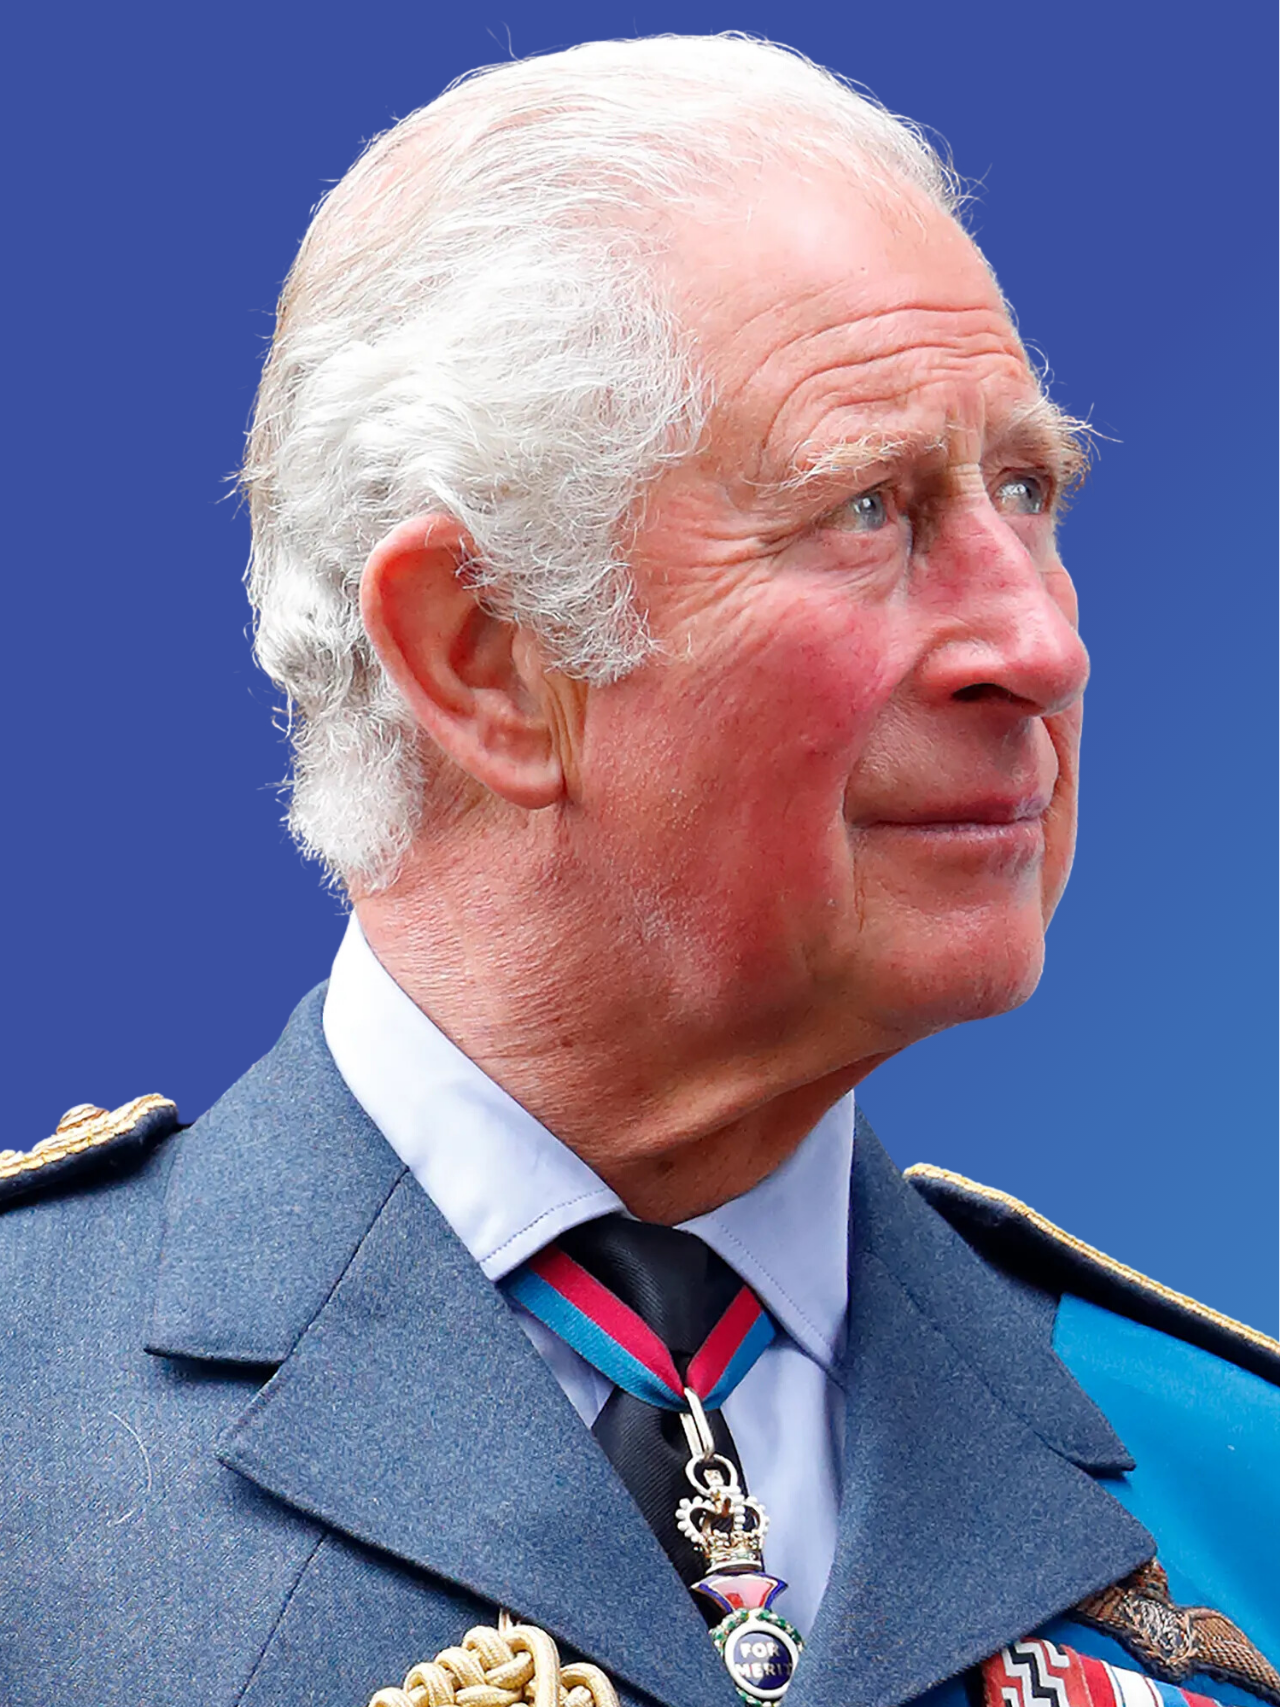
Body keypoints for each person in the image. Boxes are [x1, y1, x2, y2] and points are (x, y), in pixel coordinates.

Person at [1, 34, 1275, 1707]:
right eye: (871, 508)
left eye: (1028, 490)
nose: (1040, 642)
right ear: (480, 655)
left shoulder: (1224, 1464)